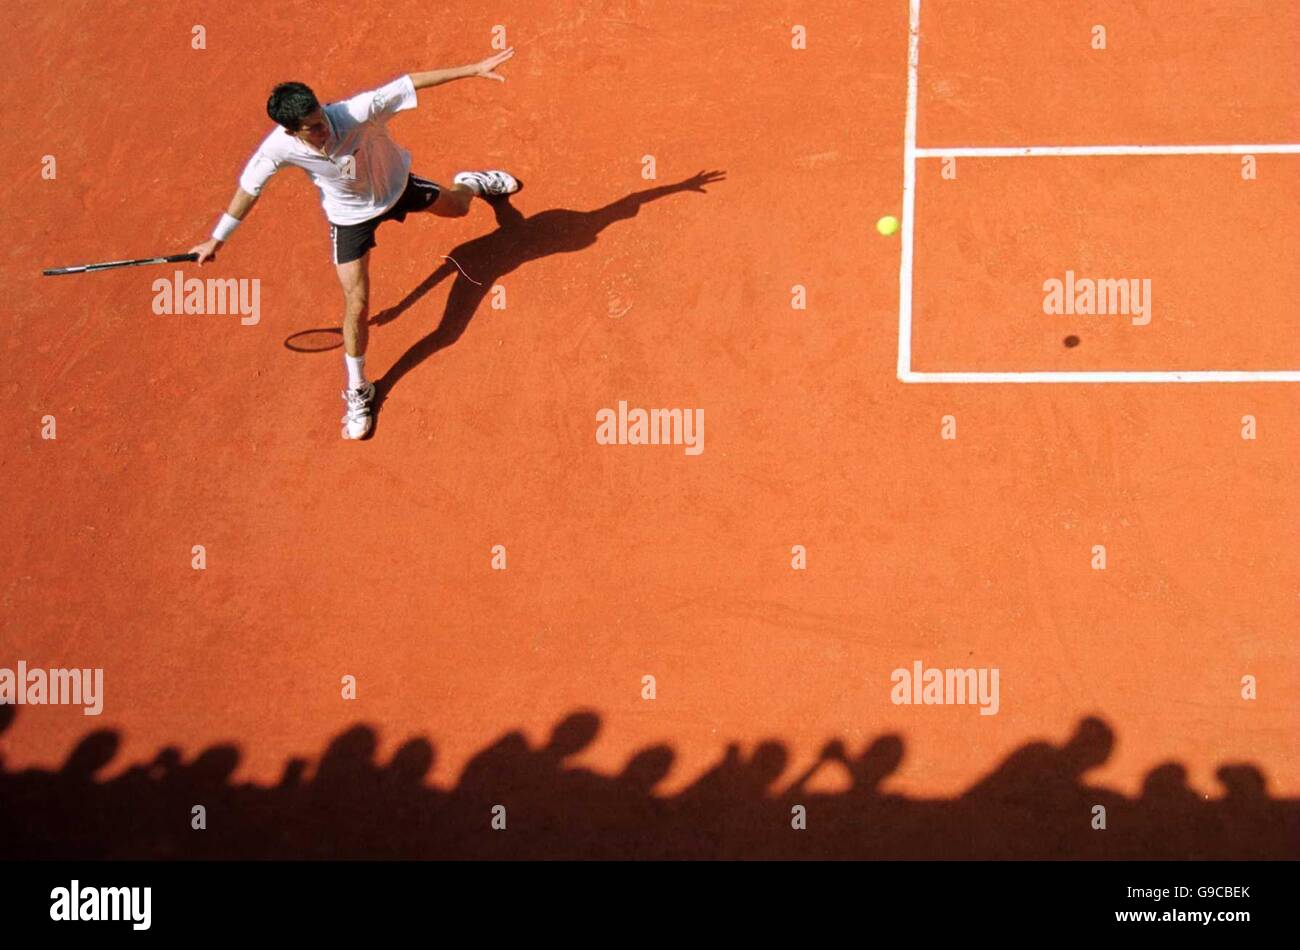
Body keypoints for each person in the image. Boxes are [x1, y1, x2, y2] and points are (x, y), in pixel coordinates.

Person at [190, 49, 521, 439]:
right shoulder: (277, 149)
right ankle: (359, 388)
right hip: (349, 218)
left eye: (320, 117)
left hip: (398, 188)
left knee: (460, 208)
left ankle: (473, 181)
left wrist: (473, 69)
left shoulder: (356, 112)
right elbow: (249, 189)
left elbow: (409, 81)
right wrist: (217, 239)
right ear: (290, 132)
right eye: (312, 127)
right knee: (357, 302)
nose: (323, 128)